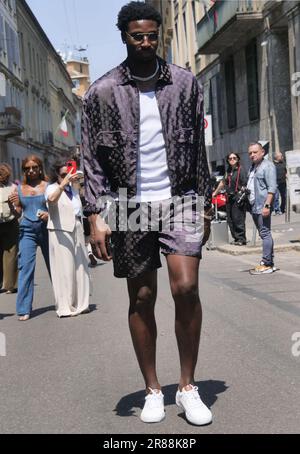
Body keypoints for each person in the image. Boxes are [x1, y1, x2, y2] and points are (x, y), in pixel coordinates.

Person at [82, 1, 212, 425]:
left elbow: (198, 149)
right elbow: (90, 159)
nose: (145, 42)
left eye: (152, 36)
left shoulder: (185, 83)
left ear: (159, 36)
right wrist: (94, 214)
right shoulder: (101, 91)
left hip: (182, 198)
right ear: (124, 36)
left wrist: (206, 201)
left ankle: (188, 387)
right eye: (137, 36)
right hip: (126, 202)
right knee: (141, 296)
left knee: (186, 288)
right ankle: (154, 389)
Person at [45, 161, 90, 318]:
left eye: (69, 172)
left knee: (81, 267)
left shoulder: (74, 188)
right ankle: (66, 306)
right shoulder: (52, 187)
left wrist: (79, 177)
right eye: (64, 174)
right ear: (57, 175)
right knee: (64, 269)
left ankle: (82, 303)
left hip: (77, 227)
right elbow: (51, 200)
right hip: (60, 230)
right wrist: (63, 183)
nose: (68, 176)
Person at [8, 155, 50, 321]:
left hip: (47, 229)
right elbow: (17, 212)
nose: (31, 170)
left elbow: (56, 208)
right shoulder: (19, 189)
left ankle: (64, 301)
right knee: (25, 268)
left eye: (34, 167)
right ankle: (24, 308)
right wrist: (13, 205)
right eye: (27, 168)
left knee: (55, 266)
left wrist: (48, 214)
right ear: (24, 170)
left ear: (40, 168)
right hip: (27, 230)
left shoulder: (48, 186)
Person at [246, 142, 277, 274]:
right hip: (254, 206)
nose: (252, 155)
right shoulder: (253, 167)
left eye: (255, 152)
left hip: (262, 206)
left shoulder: (268, 166)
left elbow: (272, 188)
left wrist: (267, 206)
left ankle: (267, 264)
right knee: (263, 234)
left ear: (262, 152)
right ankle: (269, 261)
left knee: (265, 233)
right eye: (250, 153)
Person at [212, 153, 247, 245]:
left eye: (234, 158)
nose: (232, 159)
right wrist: (215, 193)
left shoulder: (241, 170)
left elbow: (245, 183)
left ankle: (241, 239)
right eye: (230, 158)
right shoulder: (228, 171)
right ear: (228, 160)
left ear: (238, 159)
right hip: (229, 197)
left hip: (237, 197)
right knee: (230, 219)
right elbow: (223, 182)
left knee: (238, 218)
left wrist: (242, 194)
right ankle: (236, 238)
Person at [0, 163, 19, 294]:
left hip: (11, 222)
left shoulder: (13, 187)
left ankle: (10, 285)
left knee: (11, 254)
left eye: (5, 176)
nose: (3, 179)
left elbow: (18, 205)